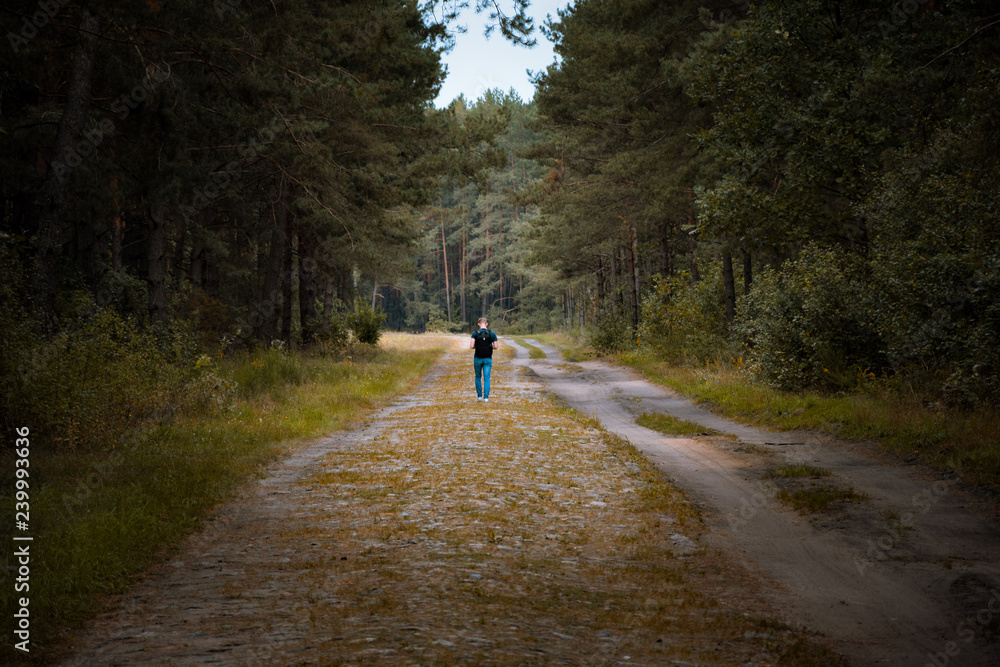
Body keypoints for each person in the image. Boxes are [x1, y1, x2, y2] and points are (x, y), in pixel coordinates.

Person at [469, 317, 498, 402]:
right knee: (487, 378)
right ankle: (486, 397)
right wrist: (489, 347)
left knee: (478, 376)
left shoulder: (475, 333)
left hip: (477, 358)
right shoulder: (492, 333)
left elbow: (471, 346)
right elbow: (496, 346)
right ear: (486, 324)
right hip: (488, 359)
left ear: (478, 324)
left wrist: (477, 346)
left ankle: (479, 396)